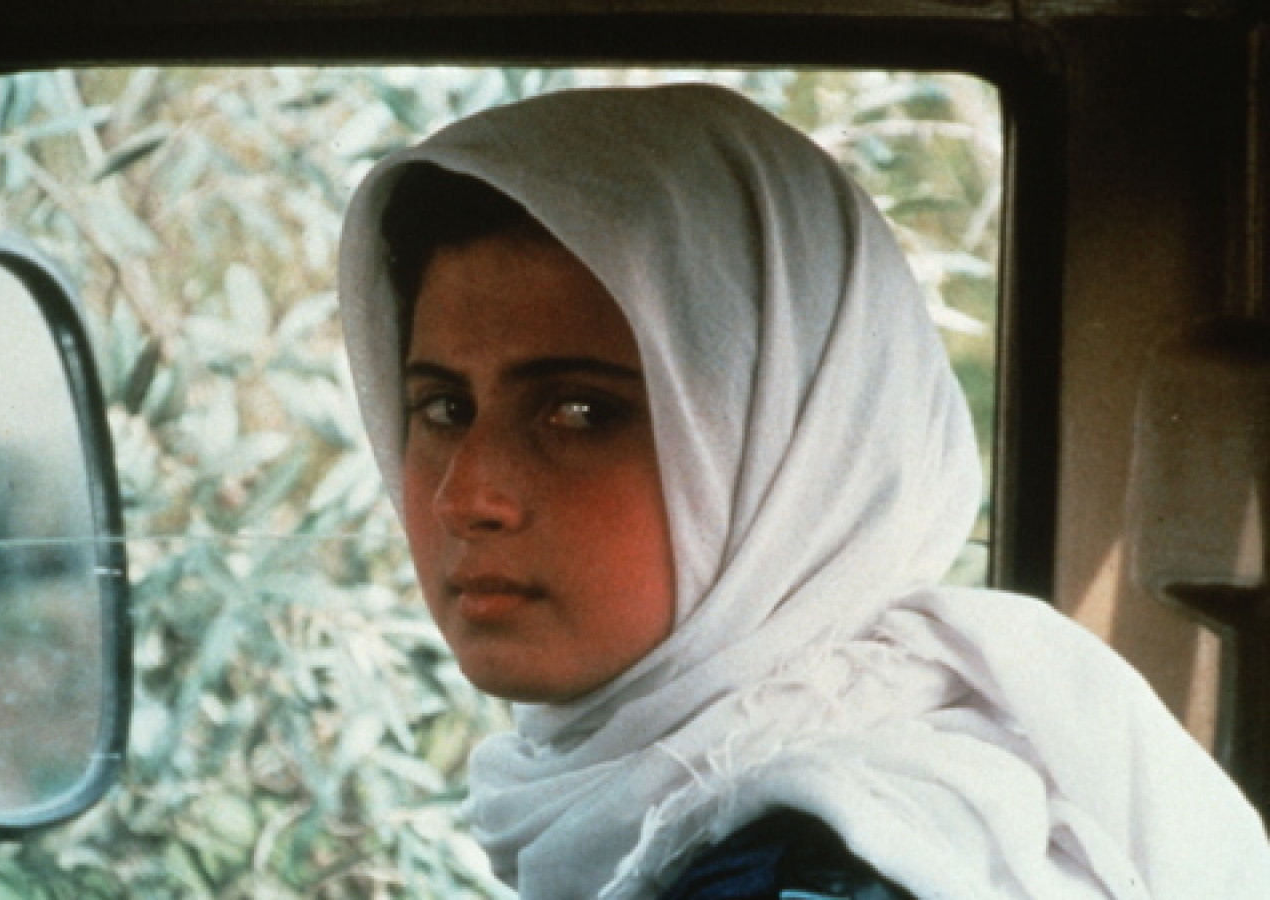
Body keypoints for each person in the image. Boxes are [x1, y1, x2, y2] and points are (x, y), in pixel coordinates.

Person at [337, 83, 1270, 899]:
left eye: (581, 412)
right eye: (444, 407)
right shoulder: (770, 793)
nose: (466, 497)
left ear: (785, 451)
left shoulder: (825, 858)